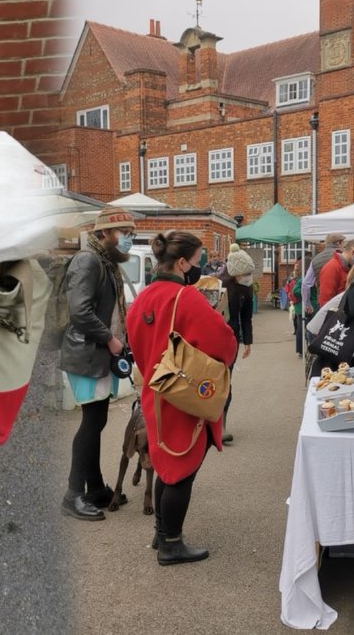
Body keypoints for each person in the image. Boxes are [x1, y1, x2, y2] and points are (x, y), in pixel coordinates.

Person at [126, 230, 239, 565]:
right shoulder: (185, 298)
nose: (199, 266)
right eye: (197, 259)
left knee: (166, 466)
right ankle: (171, 544)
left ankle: (162, 534)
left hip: (154, 393)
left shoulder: (143, 297)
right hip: (182, 394)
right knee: (182, 471)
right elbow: (223, 342)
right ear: (181, 262)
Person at [59, 207, 138, 521]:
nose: (128, 240)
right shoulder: (88, 260)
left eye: (131, 233)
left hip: (98, 354)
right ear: (103, 233)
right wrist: (110, 339)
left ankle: (94, 488)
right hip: (88, 353)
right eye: (124, 233)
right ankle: (73, 494)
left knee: (97, 420)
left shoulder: (104, 261)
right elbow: (80, 311)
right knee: (91, 424)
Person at [221, 245, 255, 444]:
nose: (249, 277)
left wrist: (248, 341)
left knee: (226, 380)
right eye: (246, 273)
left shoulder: (246, 287)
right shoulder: (218, 287)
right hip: (213, 340)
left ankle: (221, 424)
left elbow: (246, 317)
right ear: (234, 273)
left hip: (232, 340)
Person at [301, 233, 345, 316]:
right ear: (338, 243)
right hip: (342, 300)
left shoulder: (315, 260)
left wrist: (307, 304)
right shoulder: (344, 256)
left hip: (323, 301)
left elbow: (306, 285)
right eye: (343, 242)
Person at [317, 238, 354, 308]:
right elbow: (325, 299)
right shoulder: (332, 267)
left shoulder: (348, 266)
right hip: (335, 313)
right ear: (353, 252)